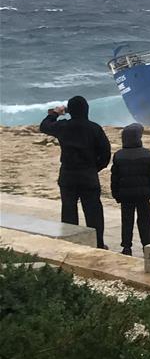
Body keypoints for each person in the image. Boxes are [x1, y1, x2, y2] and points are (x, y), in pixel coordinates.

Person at [40, 96, 111, 249]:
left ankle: (71, 243)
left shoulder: (63, 126)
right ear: (87, 110)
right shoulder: (94, 128)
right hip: (88, 175)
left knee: (69, 209)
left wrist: (56, 113)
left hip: (68, 174)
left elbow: (44, 126)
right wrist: (94, 168)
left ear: (69, 111)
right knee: (93, 211)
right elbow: (106, 154)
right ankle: (97, 243)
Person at [111, 123, 150, 256]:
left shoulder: (118, 155)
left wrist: (116, 194)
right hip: (143, 194)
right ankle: (147, 246)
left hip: (126, 195)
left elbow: (115, 178)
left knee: (126, 220)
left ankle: (126, 247)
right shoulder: (147, 154)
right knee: (145, 220)